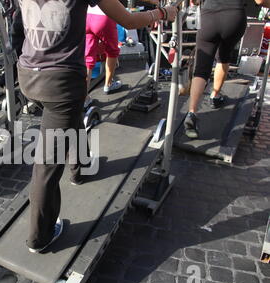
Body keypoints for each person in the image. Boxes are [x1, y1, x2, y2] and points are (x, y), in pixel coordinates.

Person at [18, 0, 177, 253]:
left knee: (71, 112)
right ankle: (40, 237)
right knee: (47, 164)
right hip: (61, 79)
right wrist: (162, 13)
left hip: (28, 72)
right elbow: (128, 21)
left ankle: (81, 167)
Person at [184, 0, 270, 139]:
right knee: (224, 56)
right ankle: (215, 95)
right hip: (233, 16)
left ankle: (192, 112)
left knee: (201, 68)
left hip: (209, 16)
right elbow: (260, 1)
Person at [85, 5, 122, 108]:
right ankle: (108, 85)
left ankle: (84, 98)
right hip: (104, 16)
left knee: (88, 58)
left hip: (87, 16)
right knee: (112, 52)